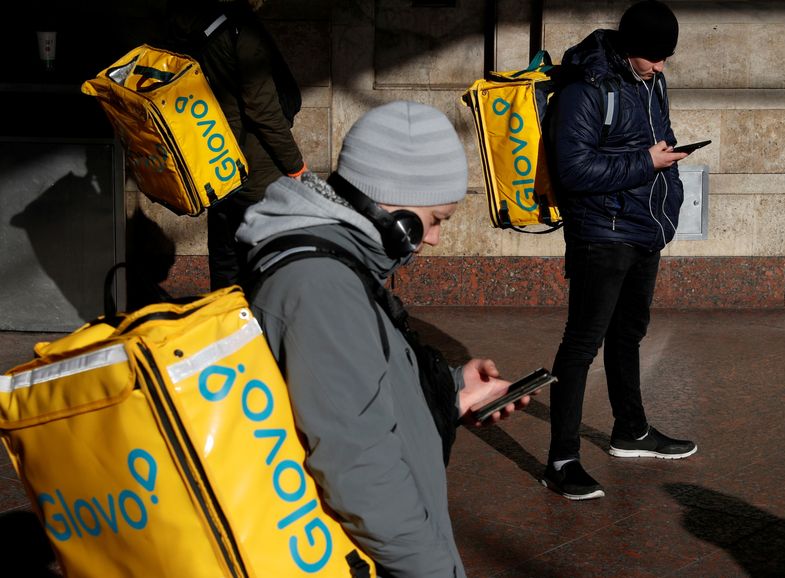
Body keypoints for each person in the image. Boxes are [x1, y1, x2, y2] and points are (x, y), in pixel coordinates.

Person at [237, 100, 533, 577]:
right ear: (390, 207)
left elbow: (360, 389)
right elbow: (360, 468)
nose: (434, 239)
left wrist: (451, 391)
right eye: (435, 219)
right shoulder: (321, 286)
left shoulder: (335, 267)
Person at [542, 0, 697, 501]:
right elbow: (573, 170)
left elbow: (657, 140)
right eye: (654, 57)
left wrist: (667, 169)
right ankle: (561, 459)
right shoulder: (586, 88)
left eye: (666, 57)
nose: (661, 66)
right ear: (631, 49)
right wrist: (645, 163)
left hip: (643, 227)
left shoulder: (651, 81)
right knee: (582, 344)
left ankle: (631, 431)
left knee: (629, 333)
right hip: (601, 232)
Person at [166, 0, 307, 290]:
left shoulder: (193, 24)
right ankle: (260, 327)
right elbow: (262, 109)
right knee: (265, 262)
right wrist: (295, 166)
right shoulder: (241, 31)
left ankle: (227, 324)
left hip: (216, 161)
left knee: (225, 260)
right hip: (255, 168)